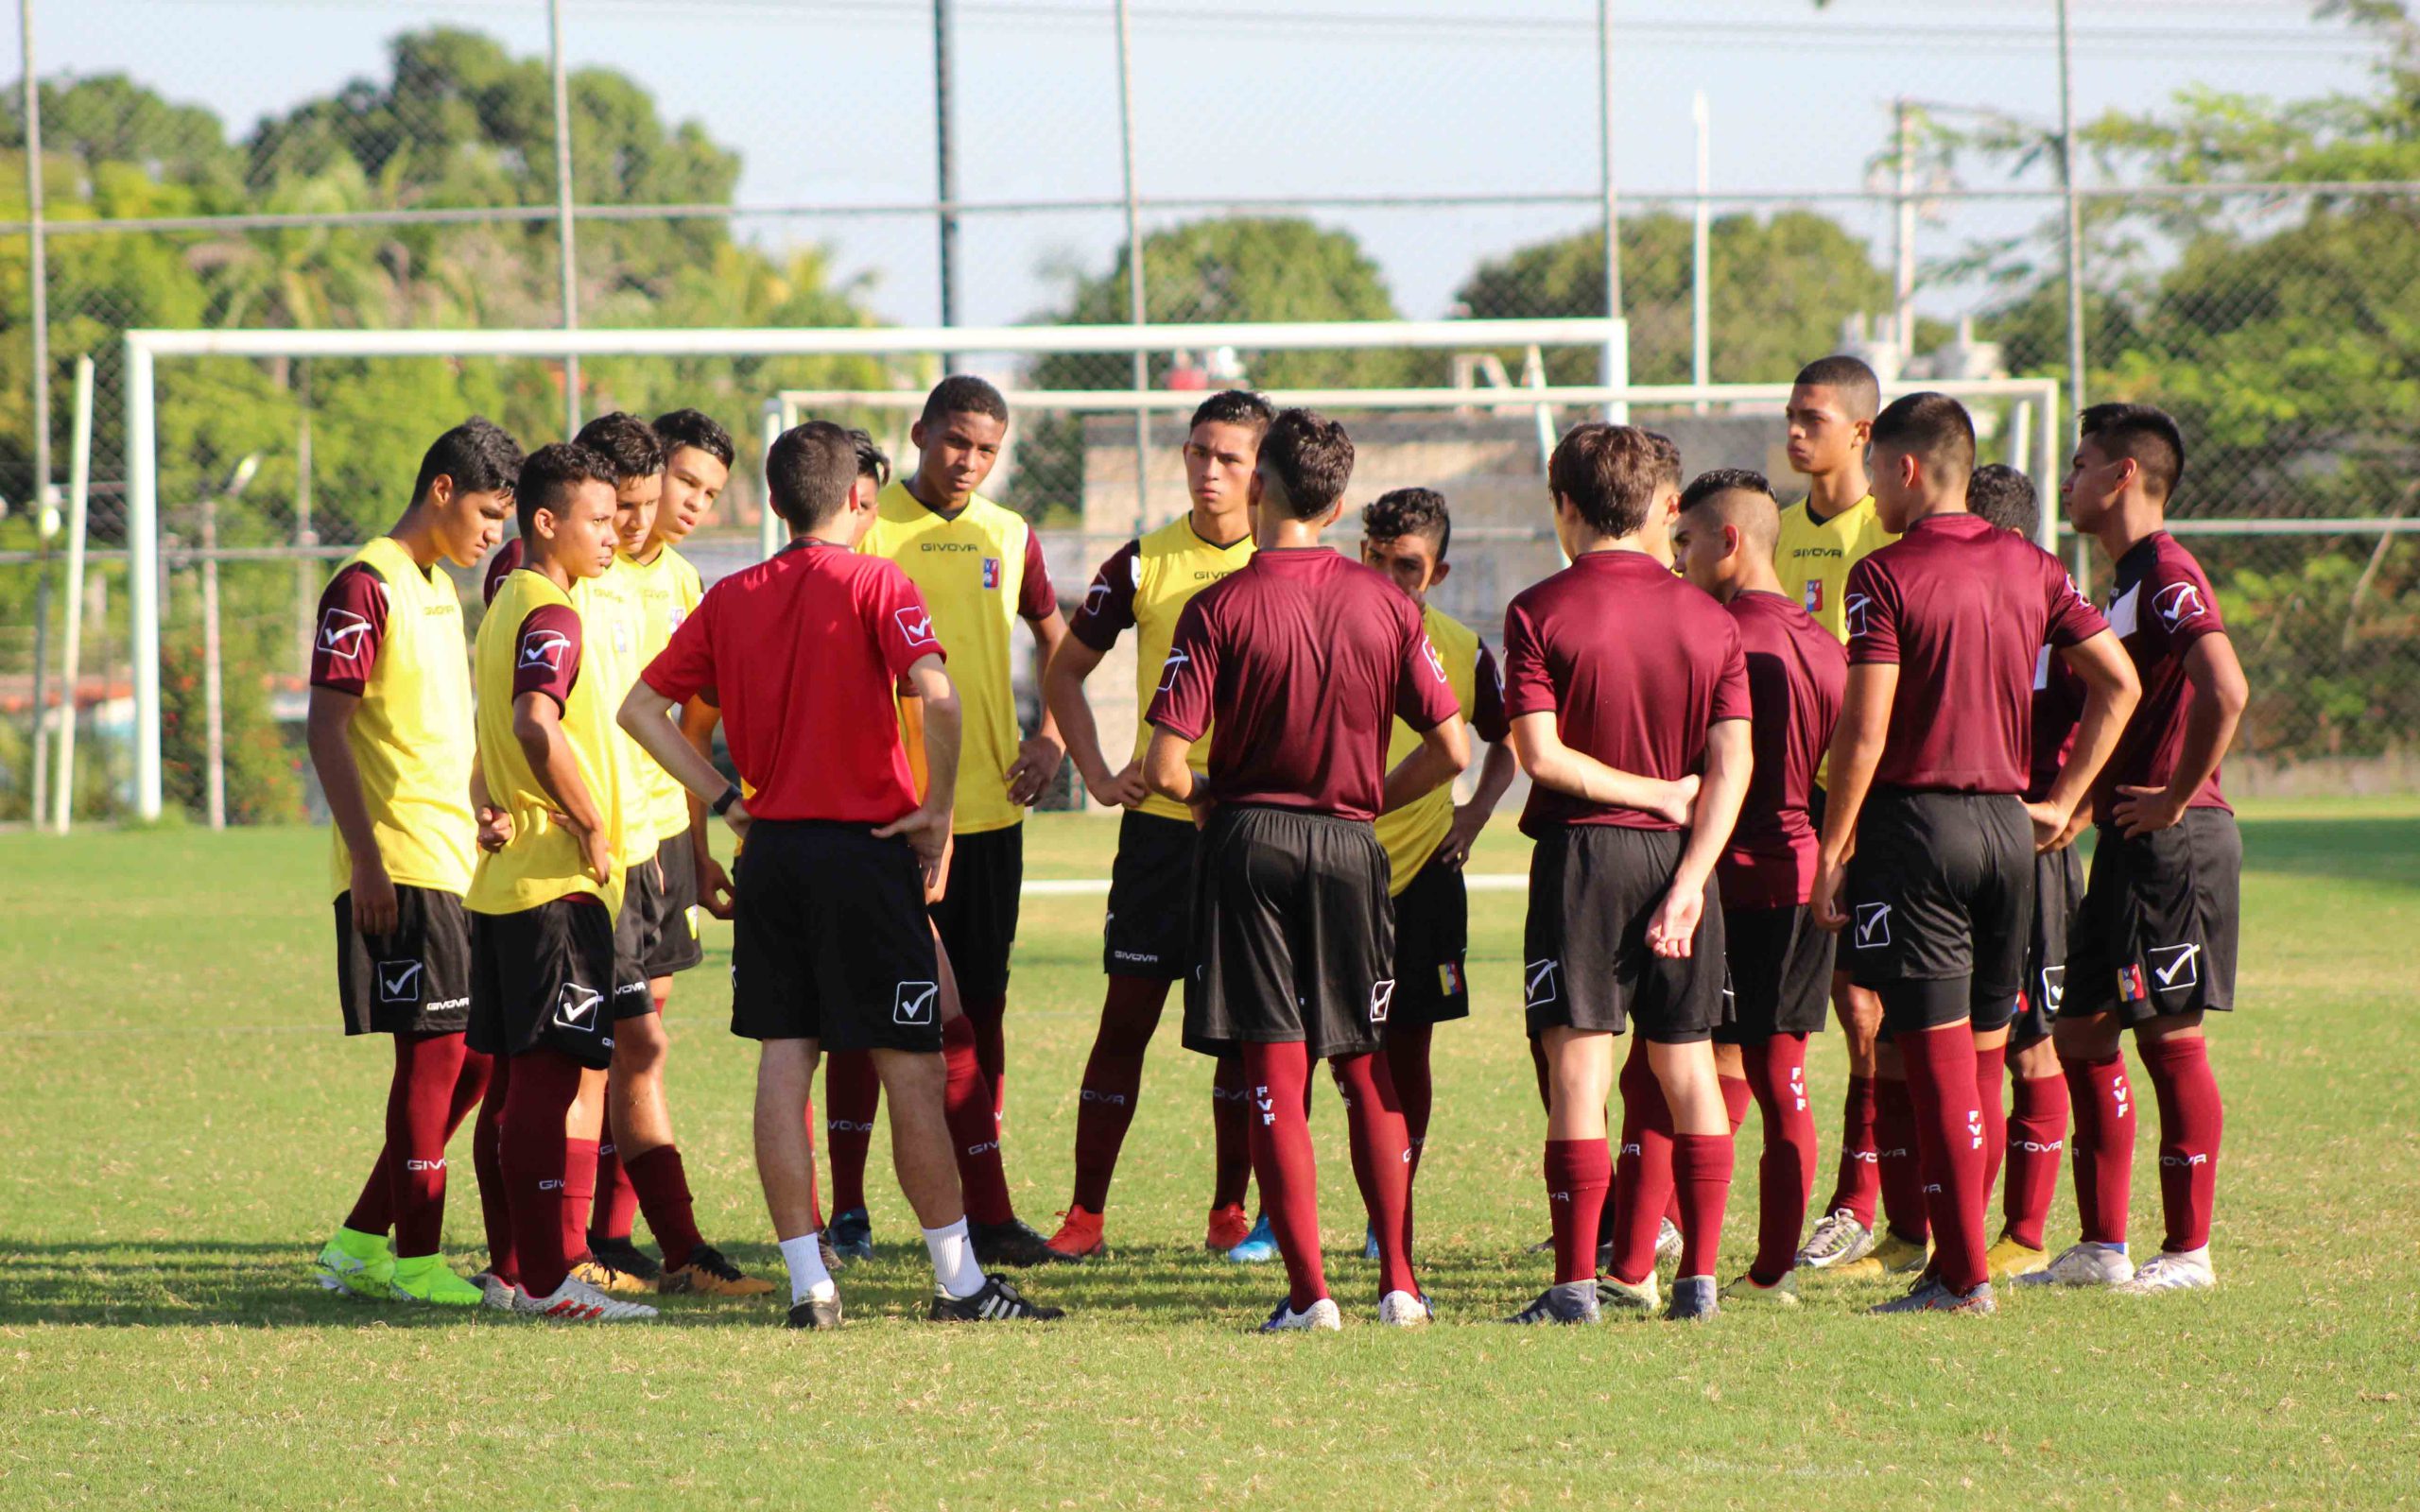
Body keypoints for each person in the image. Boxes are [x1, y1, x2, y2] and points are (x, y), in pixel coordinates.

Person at [617, 420, 1064, 1327]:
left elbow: (641, 708)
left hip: (773, 854)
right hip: (864, 856)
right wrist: (938, 809)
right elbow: (937, 695)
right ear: (859, 500)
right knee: (910, 1065)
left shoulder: (735, 595)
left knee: (787, 1061)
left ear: (775, 503)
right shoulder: (878, 580)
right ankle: (961, 1283)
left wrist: (726, 799)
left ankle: (809, 1286)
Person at [1811, 392, 2139, 1315]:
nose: (1869, 483)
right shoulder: (2033, 566)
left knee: (1940, 1062)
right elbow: (2118, 682)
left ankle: (1960, 1276)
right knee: (1986, 1055)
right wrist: (2065, 799)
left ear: (1907, 469)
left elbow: (1864, 730)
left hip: (1919, 833)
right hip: (2008, 832)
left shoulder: (1882, 575)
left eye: (1876, 466)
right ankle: (1956, 1263)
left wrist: (1834, 849)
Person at [1143, 408, 1467, 1331]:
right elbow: (1450, 749)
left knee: (1272, 1074)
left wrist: (1210, 798)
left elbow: (1167, 766)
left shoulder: (1219, 605)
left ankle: (1309, 1294)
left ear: (1260, 486)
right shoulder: (1388, 605)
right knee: (1365, 1067)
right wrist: (1365, 799)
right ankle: (1399, 1282)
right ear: (1336, 506)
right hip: (1350, 848)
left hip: (1250, 842)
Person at [1500, 424, 1751, 1326]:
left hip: (1584, 858)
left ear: (1566, 507)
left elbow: (1541, 756)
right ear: (1659, 505)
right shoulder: (1711, 619)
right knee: (1687, 1069)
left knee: (1579, 1077)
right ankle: (1701, 1285)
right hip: (1686, 862)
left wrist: (1648, 796)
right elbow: (1732, 769)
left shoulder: (1539, 609)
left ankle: (1574, 1287)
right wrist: (1691, 879)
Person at [826, 375, 1069, 1268]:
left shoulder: (1008, 534)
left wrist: (1051, 737)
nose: (967, 462)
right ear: (921, 432)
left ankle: (985, 1205)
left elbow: (1061, 643)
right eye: (955, 441)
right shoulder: (866, 524)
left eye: (986, 449)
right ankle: (848, 1210)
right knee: (865, 1018)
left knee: (985, 1010)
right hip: (887, 817)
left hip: (988, 814)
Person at [1039, 389, 1271, 1261]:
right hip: (1163, 833)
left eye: (1230, 459)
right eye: (1197, 453)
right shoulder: (1142, 563)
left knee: (1243, 1034)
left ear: (1262, 472)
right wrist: (1097, 772)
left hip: (1247, 833)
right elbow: (1067, 672)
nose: (1209, 473)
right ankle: (1086, 1217)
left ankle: (1228, 1212)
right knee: (1124, 1020)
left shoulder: (1278, 565)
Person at [2023, 404, 2248, 1295]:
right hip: (2122, 838)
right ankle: (2103, 1245)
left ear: (2124, 476)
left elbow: (2224, 687)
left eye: (2080, 465)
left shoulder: (2166, 572)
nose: (2068, 482)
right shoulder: (2123, 580)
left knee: (2169, 1037)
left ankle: (2188, 1252)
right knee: (2080, 1032)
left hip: (2175, 842)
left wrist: (2177, 794)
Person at [307, 417, 519, 1307]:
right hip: (397, 863)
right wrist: (367, 862)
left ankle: (361, 1240)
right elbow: (328, 728)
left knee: (470, 1062)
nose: (493, 536)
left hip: (453, 855)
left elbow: (433, 729)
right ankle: (418, 1260)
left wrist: (478, 803)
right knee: (433, 1064)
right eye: (484, 513)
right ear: (440, 490)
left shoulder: (438, 586)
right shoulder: (366, 583)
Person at [568, 410, 770, 1297]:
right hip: (592, 850)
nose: (680, 507)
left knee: (636, 1046)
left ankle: (614, 1242)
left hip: (661, 849)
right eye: (675, 486)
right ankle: (602, 1245)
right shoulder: (575, 575)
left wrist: (699, 846)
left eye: (702, 494)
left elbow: (690, 730)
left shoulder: (686, 584)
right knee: (613, 1048)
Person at [462, 441, 657, 1322]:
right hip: (554, 887)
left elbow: (491, 736)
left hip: (508, 881)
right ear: (548, 523)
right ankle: (548, 1284)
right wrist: (591, 824)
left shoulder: (504, 603)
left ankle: (511, 1270)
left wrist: (489, 804)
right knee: (543, 1085)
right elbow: (534, 723)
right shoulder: (553, 612)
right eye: (598, 519)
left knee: (510, 1087)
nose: (613, 534)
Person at [1669, 468, 1846, 1308]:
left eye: (1687, 542)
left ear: (1728, 541)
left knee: (1715, 1066)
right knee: (1770, 1067)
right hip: (1809, 866)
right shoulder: (1824, 640)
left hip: (1741, 880)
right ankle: (1754, 1260)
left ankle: (1747, 1262)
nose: (1679, 560)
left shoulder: (1725, 635)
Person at [1775, 353, 1915, 1279]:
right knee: (1814, 997)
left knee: (1875, 1004)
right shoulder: (1775, 531)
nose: (1793, 431)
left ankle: (1864, 1200)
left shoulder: (1887, 530)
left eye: (1811, 418)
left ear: (1862, 433)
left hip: (1873, 794)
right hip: (1790, 794)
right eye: (1788, 415)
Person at [1357, 487, 1516, 1241]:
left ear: (1440, 573)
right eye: (1379, 561)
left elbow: (1508, 738)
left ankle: (1393, 1206)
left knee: (1408, 1047)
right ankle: (1269, 1213)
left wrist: (1478, 811)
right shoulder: (1331, 625)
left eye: (1410, 567)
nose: (1392, 579)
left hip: (1423, 879)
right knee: (1310, 1055)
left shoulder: (1460, 646)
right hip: (1335, 873)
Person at [1964, 462, 2079, 1280]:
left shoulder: (2047, 617)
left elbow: (2120, 698)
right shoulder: (1975, 611)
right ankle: (1956, 1224)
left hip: (2032, 849)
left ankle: (2026, 1233)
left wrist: (2067, 801)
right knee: (1970, 1036)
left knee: (2029, 1040)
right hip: (1966, 842)